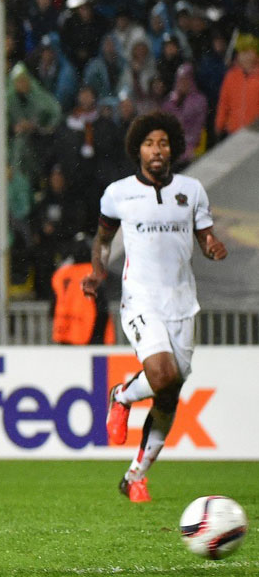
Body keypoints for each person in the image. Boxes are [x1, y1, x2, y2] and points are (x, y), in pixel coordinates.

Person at [81, 111, 227, 503]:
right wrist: (97, 272)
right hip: (141, 298)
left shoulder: (192, 190)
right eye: (149, 143)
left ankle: (136, 476)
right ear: (138, 150)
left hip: (182, 302)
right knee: (162, 375)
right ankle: (122, 395)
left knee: (169, 393)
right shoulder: (118, 193)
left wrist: (212, 247)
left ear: (173, 147)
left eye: (163, 143)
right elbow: (103, 240)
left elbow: (205, 235)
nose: (157, 150)